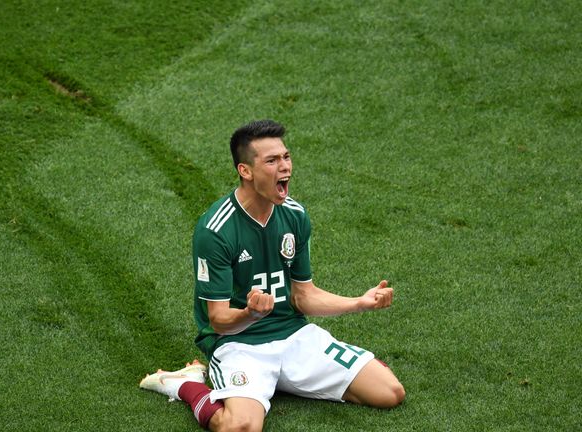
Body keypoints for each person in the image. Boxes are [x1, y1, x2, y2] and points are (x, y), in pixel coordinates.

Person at [140, 119, 405, 431]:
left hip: (294, 336)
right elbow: (217, 320)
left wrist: (359, 302)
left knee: (391, 393)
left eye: (286, 157)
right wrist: (251, 313)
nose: (285, 167)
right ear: (246, 171)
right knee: (240, 428)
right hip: (238, 344)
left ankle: (271, 383)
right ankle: (186, 383)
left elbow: (302, 296)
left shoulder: (294, 215)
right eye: (272, 160)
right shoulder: (215, 230)